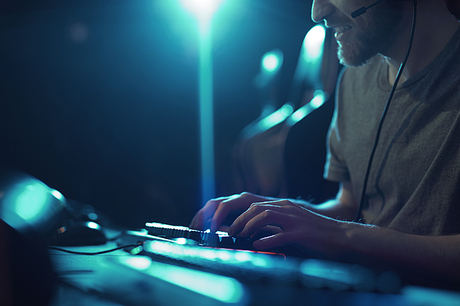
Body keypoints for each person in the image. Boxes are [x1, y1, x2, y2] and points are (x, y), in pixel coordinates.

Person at [190, 0, 460, 288]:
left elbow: (346, 230)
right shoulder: (354, 81)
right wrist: (279, 213)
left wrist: (343, 236)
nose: (318, 13)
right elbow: (351, 205)